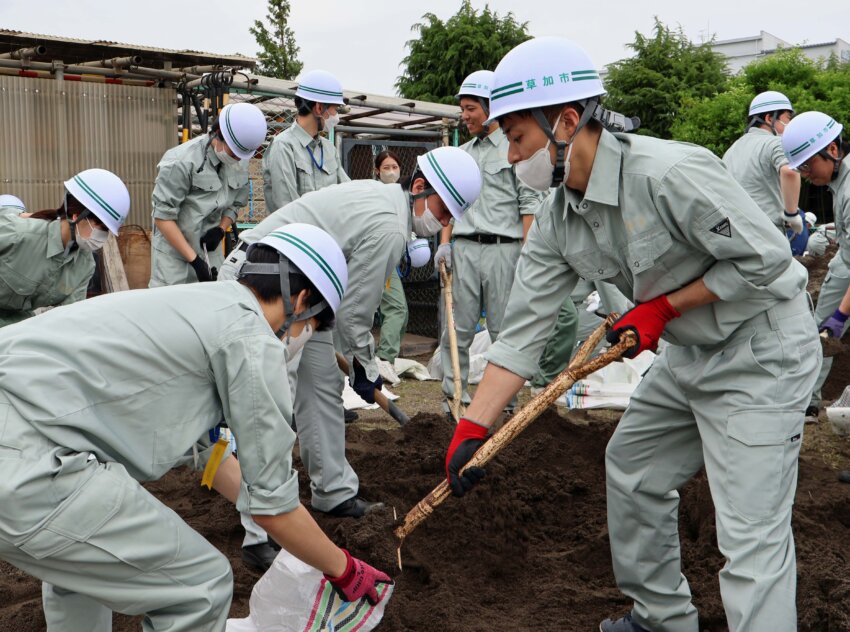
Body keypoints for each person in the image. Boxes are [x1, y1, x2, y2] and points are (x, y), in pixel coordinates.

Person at [444, 37, 820, 632]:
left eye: (517, 137)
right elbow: (521, 333)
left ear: (566, 122)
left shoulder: (671, 173)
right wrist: (473, 427)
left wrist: (665, 308)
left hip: (760, 350)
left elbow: (770, 261)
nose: (511, 156)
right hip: (690, 352)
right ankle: (661, 618)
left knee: (750, 530)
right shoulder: (557, 219)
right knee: (633, 468)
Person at [0, 222, 391, 631]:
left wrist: (289, 526)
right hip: (31, 465)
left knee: (80, 568)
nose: (303, 337)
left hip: (23, 445)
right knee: (201, 587)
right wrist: (343, 568)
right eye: (311, 327)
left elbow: (209, 455)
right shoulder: (251, 338)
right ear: (302, 300)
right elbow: (275, 508)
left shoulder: (201, 304)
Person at [220, 146, 481, 565]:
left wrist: (360, 365)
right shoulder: (391, 227)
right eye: (445, 212)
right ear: (419, 188)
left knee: (322, 384)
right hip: (264, 284)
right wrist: (365, 366)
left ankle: (333, 494)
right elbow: (356, 315)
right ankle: (260, 531)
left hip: (308, 294)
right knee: (270, 407)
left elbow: (346, 311)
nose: (444, 224)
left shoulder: (385, 199)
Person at [435, 70, 543, 415]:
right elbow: (450, 206)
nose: (464, 116)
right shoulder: (461, 154)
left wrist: (528, 251)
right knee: (457, 329)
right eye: (463, 109)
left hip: (504, 250)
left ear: (490, 108)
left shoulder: (514, 149)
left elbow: (529, 202)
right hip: (464, 249)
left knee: (503, 331)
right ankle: (455, 398)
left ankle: (505, 403)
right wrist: (445, 243)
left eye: (470, 108)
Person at [149, 102, 266, 287]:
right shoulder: (181, 162)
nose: (236, 159)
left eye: (240, 155)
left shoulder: (240, 160)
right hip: (174, 259)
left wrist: (221, 228)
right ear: (218, 133)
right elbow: (163, 217)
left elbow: (235, 203)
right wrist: (194, 260)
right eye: (233, 153)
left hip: (211, 252)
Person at [783, 112, 849, 427]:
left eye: (808, 165)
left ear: (833, 151)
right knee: (816, 336)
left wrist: (841, 315)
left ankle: (805, 403)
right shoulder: (840, 182)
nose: (806, 174)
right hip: (843, 268)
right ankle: (806, 403)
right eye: (801, 168)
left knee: (821, 334)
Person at [0, 169, 129, 327]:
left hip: (14, 326)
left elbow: (69, 321)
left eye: (106, 230)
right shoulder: (18, 234)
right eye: (99, 226)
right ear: (76, 215)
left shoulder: (84, 266)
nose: (102, 235)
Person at [262, 69, 350, 210]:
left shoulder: (328, 149)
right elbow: (287, 208)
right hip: (295, 231)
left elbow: (347, 192)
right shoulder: (283, 146)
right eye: (335, 109)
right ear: (319, 108)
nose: (336, 116)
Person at [723, 91, 802, 235]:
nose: (789, 124)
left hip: (734, 230)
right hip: (766, 231)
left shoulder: (732, 149)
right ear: (769, 118)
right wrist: (792, 215)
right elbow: (789, 171)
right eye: (788, 119)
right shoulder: (776, 142)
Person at [374, 150, 410, 364]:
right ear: (377, 171)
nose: (391, 172)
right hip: (379, 259)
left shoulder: (404, 193)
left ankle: (387, 358)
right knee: (397, 308)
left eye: (394, 167)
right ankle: (385, 360)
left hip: (393, 259)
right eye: (386, 168)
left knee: (398, 311)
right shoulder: (373, 193)